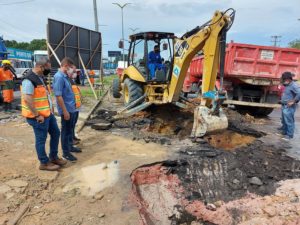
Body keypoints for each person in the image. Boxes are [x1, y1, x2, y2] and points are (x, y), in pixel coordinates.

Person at [21, 58, 67, 171]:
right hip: (38, 117)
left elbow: (44, 96)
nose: (49, 71)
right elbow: (27, 99)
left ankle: (54, 157)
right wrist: (37, 115)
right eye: (47, 68)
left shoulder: (40, 78)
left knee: (56, 133)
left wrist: (51, 110)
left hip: (48, 114)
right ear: (41, 67)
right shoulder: (29, 80)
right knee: (41, 139)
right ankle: (44, 163)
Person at [53, 57, 81, 162]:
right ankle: (66, 153)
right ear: (65, 66)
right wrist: (65, 111)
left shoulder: (65, 76)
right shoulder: (59, 77)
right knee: (65, 132)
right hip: (67, 110)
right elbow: (58, 96)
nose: (72, 71)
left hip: (71, 108)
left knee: (70, 131)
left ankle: (70, 147)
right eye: (71, 68)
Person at [278, 71, 300, 140]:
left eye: (284, 79)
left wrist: (293, 101)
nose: (284, 81)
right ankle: (284, 132)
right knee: (284, 120)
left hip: (289, 106)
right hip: (284, 105)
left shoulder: (294, 85)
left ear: (288, 79)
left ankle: (289, 135)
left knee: (289, 121)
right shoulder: (287, 84)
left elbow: (299, 93)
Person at [69, 66, 82, 145]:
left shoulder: (72, 80)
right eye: (73, 72)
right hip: (72, 106)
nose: (75, 74)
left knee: (74, 123)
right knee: (70, 124)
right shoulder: (66, 80)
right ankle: (71, 139)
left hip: (76, 106)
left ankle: (73, 136)